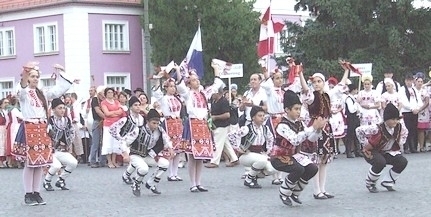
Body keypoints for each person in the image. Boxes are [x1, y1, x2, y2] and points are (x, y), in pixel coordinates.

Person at [12, 62, 73, 205]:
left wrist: (62, 72)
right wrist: (25, 72)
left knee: (40, 163)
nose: (35, 79)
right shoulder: (24, 93)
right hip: (29, 129)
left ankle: (37, 192)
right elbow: (19, 91)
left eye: (37, 77)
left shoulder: (42, 93)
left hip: (41, 129)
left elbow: (58, 91)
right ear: (27, 77)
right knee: (30, 163)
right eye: (32, 76)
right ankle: (28, 194)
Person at [270, 90, 324, 206]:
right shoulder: (282, 125)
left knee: (312, 168)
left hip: (293, 155)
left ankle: (295, 192)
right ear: (287, 110)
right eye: (296, 109)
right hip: (278, 157)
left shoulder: (299, 123)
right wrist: (312, 128)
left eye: (300, 109)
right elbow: (295, 140)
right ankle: (284, 192)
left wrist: (318, 130)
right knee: (298, 169)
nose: (299, 112)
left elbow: (310, 139)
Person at [111, 106, 174, 196]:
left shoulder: (159, 130)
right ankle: (136, 184)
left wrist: (170, 148)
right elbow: (123, 141)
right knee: (144, 169)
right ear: (147, 122)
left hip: (149, 155)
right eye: (154, 123)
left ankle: (151, 183)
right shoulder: (138, 130)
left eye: (157, 123)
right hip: (136, 154)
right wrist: (125, 153)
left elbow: (166, 139)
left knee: (165, 164)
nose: (156, 126)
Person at [356, 103, 408, 193]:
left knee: (402, 161)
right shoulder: (376, 128)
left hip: (388, 151)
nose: (395, 121)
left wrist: (400, 143)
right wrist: (364, 143)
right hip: (372, 150)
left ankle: (388, 181)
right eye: (392, 119)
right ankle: (370, 183)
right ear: (386, 119)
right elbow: (358, 130)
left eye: (396, 119)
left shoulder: (399, 127)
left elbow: (405, 134)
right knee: (380, 162)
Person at [228, 106, 276, 189]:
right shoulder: (247, 128)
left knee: (272, 169)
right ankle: (249, 179)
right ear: (253, 117)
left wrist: (268, 151)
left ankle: (253, 177)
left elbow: (271, 139)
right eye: (259, 116)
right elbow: (231, 136)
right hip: (246, 155)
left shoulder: (265, 129)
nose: (262, 118)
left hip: (259, 154)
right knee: (262, 160)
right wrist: (237, 148)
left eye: (263, 116)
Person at [43, 98, 78, 191]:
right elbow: (45, 135)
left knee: (73, 162)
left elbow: (71, 132)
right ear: (54, 109)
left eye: (63, 108)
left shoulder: (66, 120)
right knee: (56, 165)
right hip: (49, 150)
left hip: (60, 149)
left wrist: (67, 143)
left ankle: (61, 179)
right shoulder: (49, 121)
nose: (62, 110)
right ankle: (47, 181)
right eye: (59, 108)